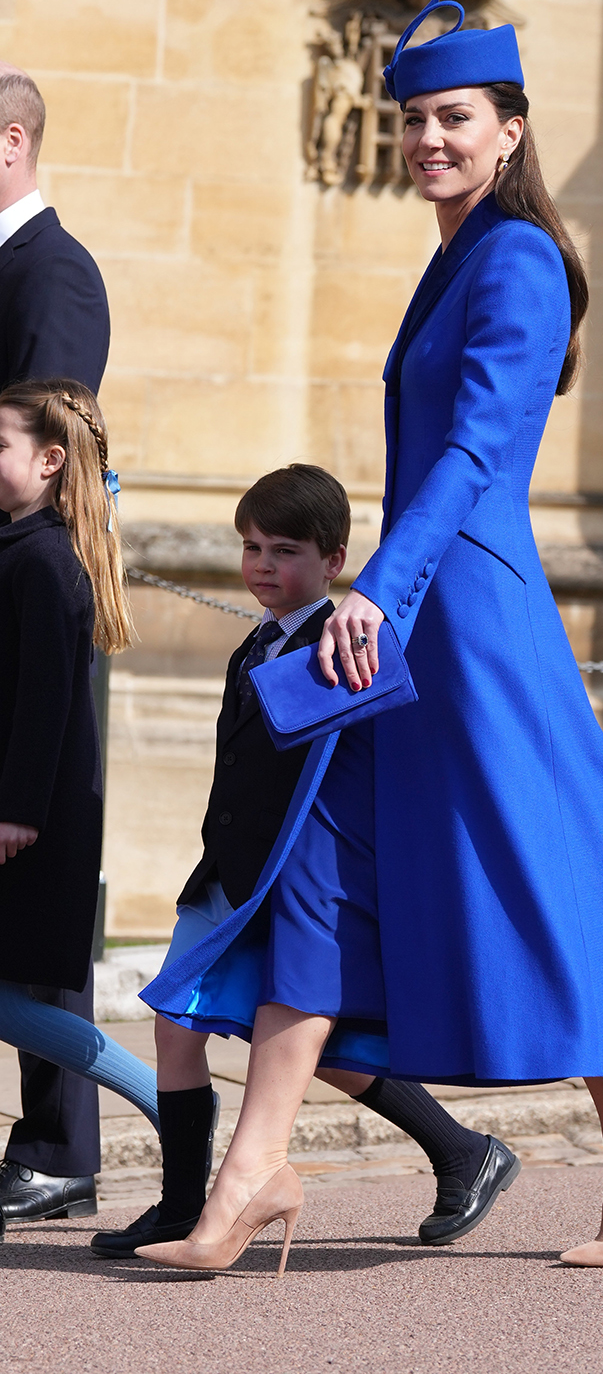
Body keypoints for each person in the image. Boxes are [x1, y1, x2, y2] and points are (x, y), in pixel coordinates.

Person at [137, 0, 603, 1276]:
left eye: (453, 119)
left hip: (467, 616)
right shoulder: (455, 256)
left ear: (509, 130)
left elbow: (476, 450)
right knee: (323, 867)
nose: (427, 140)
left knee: (533, 877)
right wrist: (373, 590)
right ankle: (249, 1177)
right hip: (402, 601)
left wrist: (377, 588)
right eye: (411, 121)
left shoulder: (519, 259)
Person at [92, 463, 517, 1258]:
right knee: (185, 1028)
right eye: (251, 546)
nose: (260, 564)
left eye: (283, 549)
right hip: (233, 873)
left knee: (299, 1043)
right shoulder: (250, 645)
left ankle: (462, 1149)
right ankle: (183, 1205)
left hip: (304, 882)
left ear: (334, 562)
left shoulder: (349, 647)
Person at [0, 379, 165, 1239]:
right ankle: (179, 1114)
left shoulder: (45, 559)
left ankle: (174, 1109)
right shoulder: (21, 546)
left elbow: (46, 704)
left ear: (49, 459)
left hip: (30, 823)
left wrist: (18, 811)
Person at [0, 63, 112, 1225]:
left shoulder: (52, 273)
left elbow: (49, 448)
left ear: (13, 142)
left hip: (29, 603)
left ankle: (61, 1142)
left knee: (37, 896)